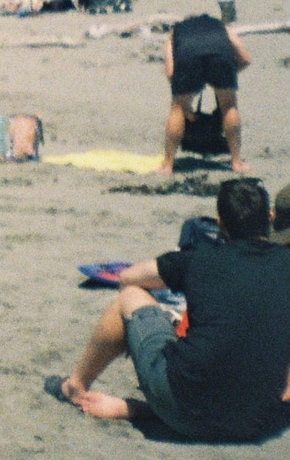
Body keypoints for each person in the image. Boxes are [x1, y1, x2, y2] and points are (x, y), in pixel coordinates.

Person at [47, 178, 290, 441]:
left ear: (220, 223)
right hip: (258, 420)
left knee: (130, 297)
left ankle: (75, 386)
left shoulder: (198, 260)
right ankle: (151, 409)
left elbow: (128, 278)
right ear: (269, 217)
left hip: (184, 410)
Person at [161, 13, 254, 174]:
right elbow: (245, 58)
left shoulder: (175, 32)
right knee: (229, 105)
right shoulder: (222, 27)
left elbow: (170, 73)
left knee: (177, 108)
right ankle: (236, 163)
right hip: (220, 55)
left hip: (188, 55)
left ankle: (168, 165)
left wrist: (186, 102)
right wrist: (224, 77)